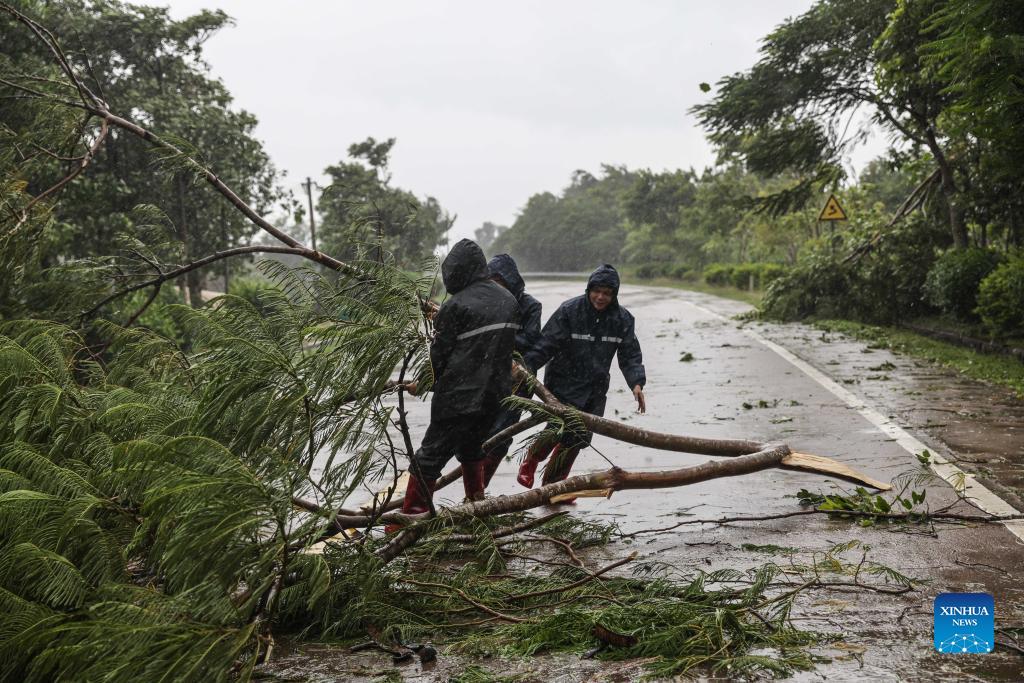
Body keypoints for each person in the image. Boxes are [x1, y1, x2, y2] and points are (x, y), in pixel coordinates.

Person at [388, 239, 519, 530]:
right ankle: (476, 506)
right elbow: (489, 352)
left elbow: (440, 358)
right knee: (472, 447)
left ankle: (407, 521)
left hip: (458, 398)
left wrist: (421, 383)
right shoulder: (508, 301)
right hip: (494, 397)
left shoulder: (455, 306)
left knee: (430, 456)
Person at [519, 264, 646, 498]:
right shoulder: (570, 310)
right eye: (596, 291)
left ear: (614, 295)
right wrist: (526, 367)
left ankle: (554, 487)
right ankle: (531, 460)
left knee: (580, 437)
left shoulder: (623, 319)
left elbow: (630, 354)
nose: (600, 297)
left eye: (607, 293)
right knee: (559, 428)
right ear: (589, 289)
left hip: (595, 387)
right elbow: (546, 344)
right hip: (563, 381)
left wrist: (636, 383)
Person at [479, 254, 543, 487]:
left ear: (511, 282)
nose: (496, 288)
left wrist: (498, 341)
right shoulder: (483, 303)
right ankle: (474, 487)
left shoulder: (530, 306)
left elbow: (530, 339)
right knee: (478, 430)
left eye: (501, 282)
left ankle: (480, 486)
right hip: (485, 376)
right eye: (491, 282)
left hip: (518, 377)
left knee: (503, 431)